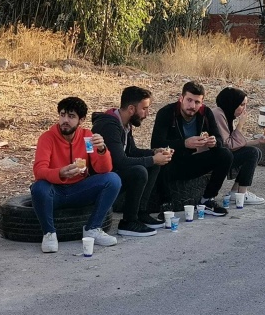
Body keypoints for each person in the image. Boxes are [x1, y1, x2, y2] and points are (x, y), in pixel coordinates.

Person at [31, 97, 121, 253]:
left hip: (79, 189)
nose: (65, 120)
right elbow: (39, 170)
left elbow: (103, 169)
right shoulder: (47, 138)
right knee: (38, 187)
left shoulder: (87, 137)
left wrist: (101, 150)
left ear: (82, 119)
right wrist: (59, 173)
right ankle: (49, 233)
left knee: (113, 179)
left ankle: (93, 228)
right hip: (55, 191)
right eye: (62, 115)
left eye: (71, 116)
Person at [92, 86, 172, 237]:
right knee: (139, 170)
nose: (147, 114)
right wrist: (152, 159)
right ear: (131, 109)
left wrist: (155, 152)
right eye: (144, 109)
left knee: (153, 164)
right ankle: (129, 221)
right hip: (102, 179)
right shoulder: (109, 126)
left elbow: (132, 151)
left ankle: (141, 212)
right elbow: (120, 161)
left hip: (114, 172)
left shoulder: (125, 123)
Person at [151, 81, 231, 217]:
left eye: (197, 102)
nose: (192, 106)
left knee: (225, 155)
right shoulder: (166, 113)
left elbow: (219, 140)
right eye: (189, 100)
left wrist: (213, 143)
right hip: (173, 163)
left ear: (202, 103)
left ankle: (207, 199)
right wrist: (184, 143)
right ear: (181, 99)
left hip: (194, 160)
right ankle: (166, 204)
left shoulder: (206, 113)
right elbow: (156, 144)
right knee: (161, 159)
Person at [213, 87, 265, 205]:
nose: (244, 109)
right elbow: (228, 144)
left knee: (256, 151)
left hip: (223, 154)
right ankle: (242, 194)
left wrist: (258, 141)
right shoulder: (218, 114)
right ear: (231, 103)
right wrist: (240, 124)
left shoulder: (227, 114)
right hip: (215, 157)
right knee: (252, 153)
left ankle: (235, 191)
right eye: (242, 105)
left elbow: (235, 143)